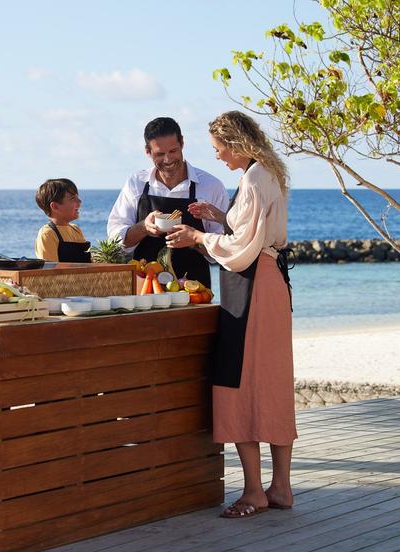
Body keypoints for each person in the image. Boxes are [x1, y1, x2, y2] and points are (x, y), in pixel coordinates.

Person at [166, 110, 297, 518]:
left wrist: (196, 236)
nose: (218, 156)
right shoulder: (267, 172)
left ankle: (254, 492)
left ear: (237, 143)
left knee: (236, 382)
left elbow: (241, 250)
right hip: (271, 283)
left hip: (252, 286)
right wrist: (220, 218)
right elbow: (253, 232)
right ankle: (281, 487)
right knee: (272, 382)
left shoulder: (254, 178)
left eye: (219, 148)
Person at [107, 117, 229, 288]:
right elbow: (116, 241)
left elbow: (225, 247)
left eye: (173, 151)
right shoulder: (137, 183)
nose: (168, 160)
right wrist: (144, 227)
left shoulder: (211, 186)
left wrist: (194, 240)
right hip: (145, 287)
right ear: (147, 152)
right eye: (160, 154)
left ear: (182, 143)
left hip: (194, 289)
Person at [34, 178, 91, 263]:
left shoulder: (76, 230)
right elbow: (50, 269)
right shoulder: (48, 234)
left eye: (77, 197)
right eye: (72, 198)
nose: (79, 201)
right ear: (55, 207)